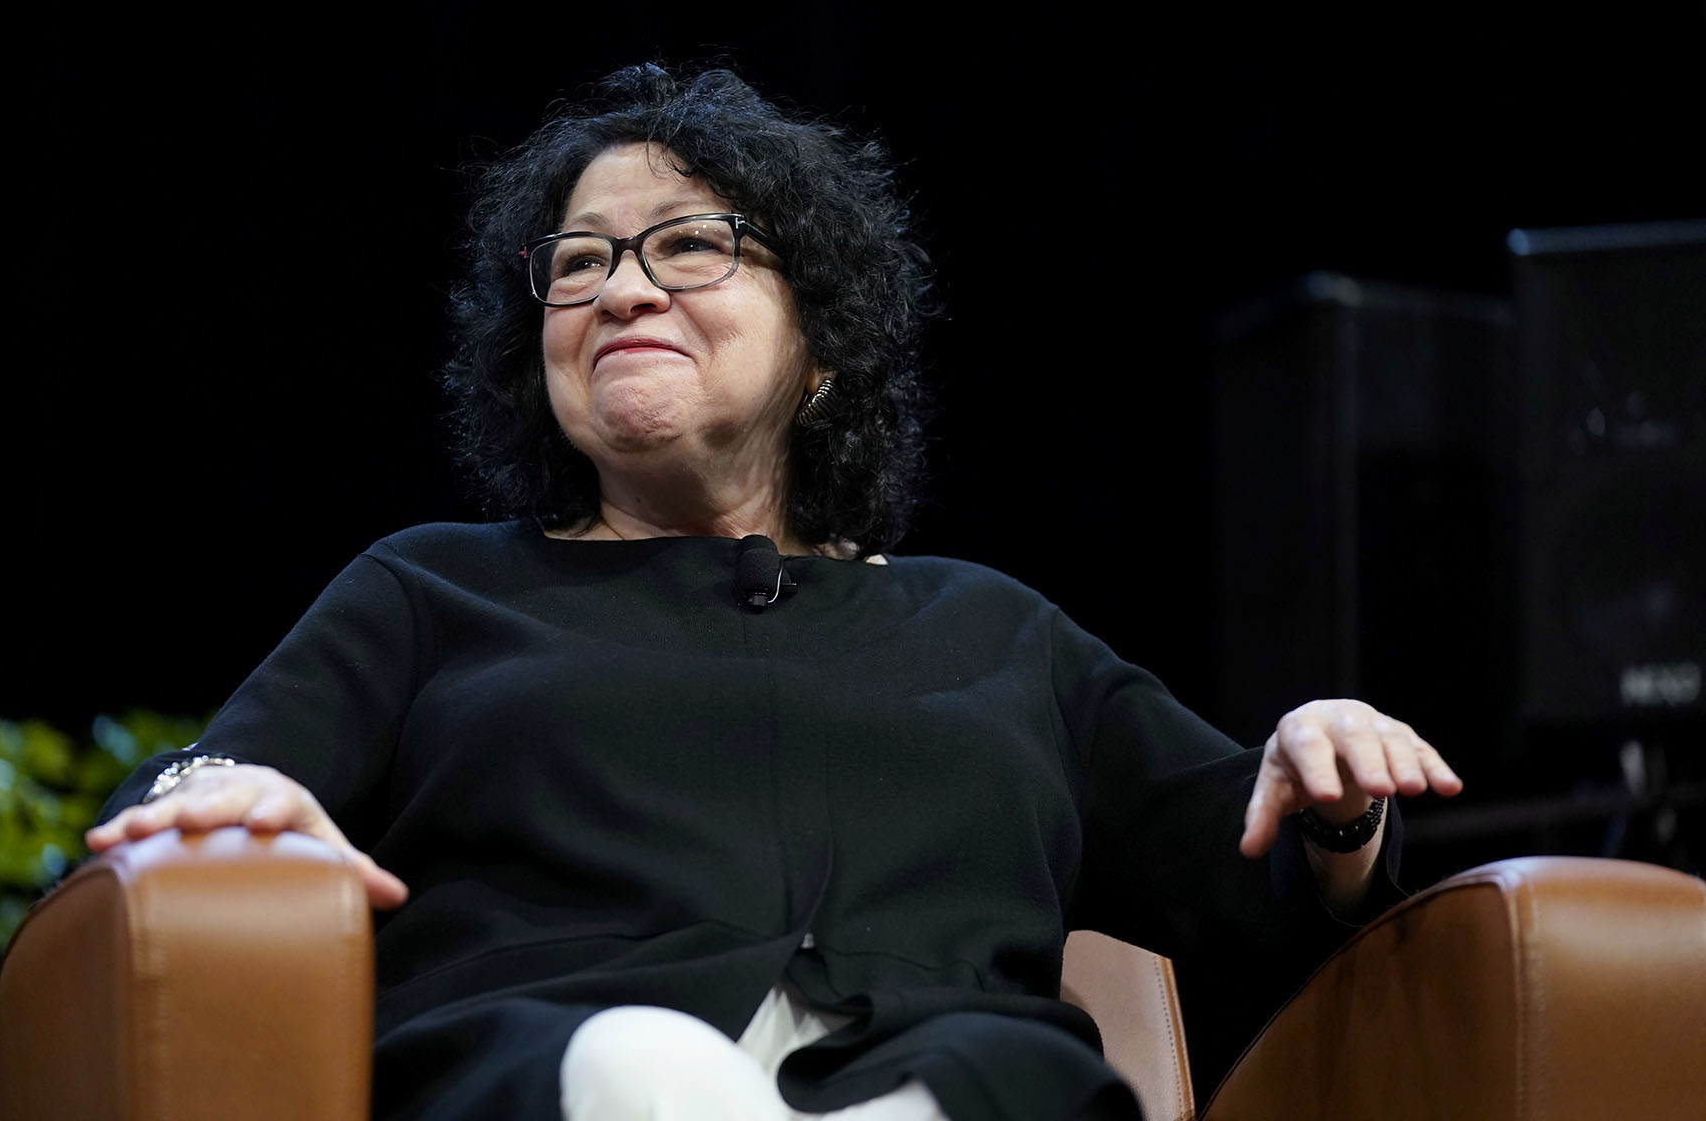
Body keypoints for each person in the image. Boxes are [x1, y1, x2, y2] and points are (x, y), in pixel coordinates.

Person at [85, 64, 1463, 1121]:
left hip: (947, 1088)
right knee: (638, 1062)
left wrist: (1329, 794)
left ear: (821, 351)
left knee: (1006, 1078)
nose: (623, 289)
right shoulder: (432, 591)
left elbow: (1269, 887)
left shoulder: (998, 634)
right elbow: (180, 788)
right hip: (572, 1076)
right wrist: (200, 802)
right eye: (580, 262)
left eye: (690, 245)